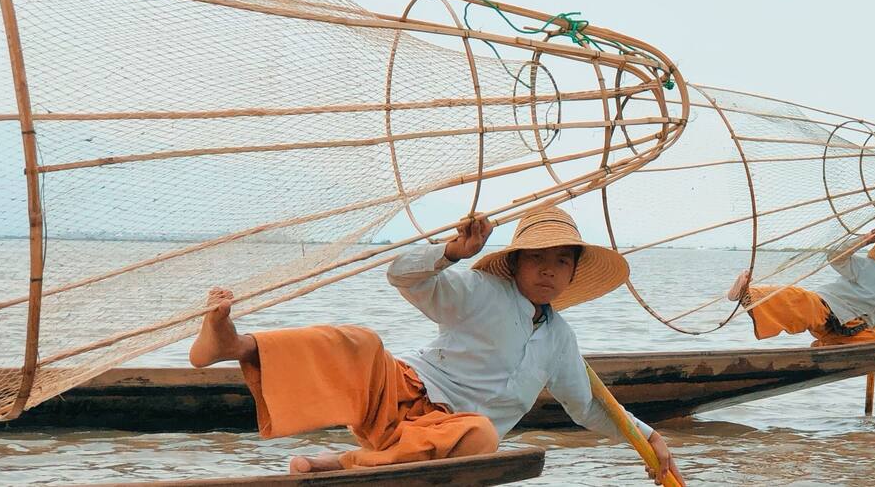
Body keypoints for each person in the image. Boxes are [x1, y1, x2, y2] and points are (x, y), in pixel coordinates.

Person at [189, 204, 684, 485]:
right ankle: (233, 343)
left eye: (561, 261)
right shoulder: (483, 291)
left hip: (448, 435)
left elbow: (591, 406)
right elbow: (401, 275)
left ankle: (335, 467)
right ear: (514, 263)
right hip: (402, 392)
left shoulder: (560, 341)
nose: (548, 269)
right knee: (358, 342)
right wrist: (453, 252)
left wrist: (646, 437)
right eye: (536, 258)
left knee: (482, 438)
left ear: (573, 273)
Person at [726, 227, 875, 346]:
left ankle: (823, 349)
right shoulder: (871, 267)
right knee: (797, 300)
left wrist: (873, 328)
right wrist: (863, 241)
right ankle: (748, 293)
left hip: (848, 326)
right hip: (827, 307)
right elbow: (836, 257)